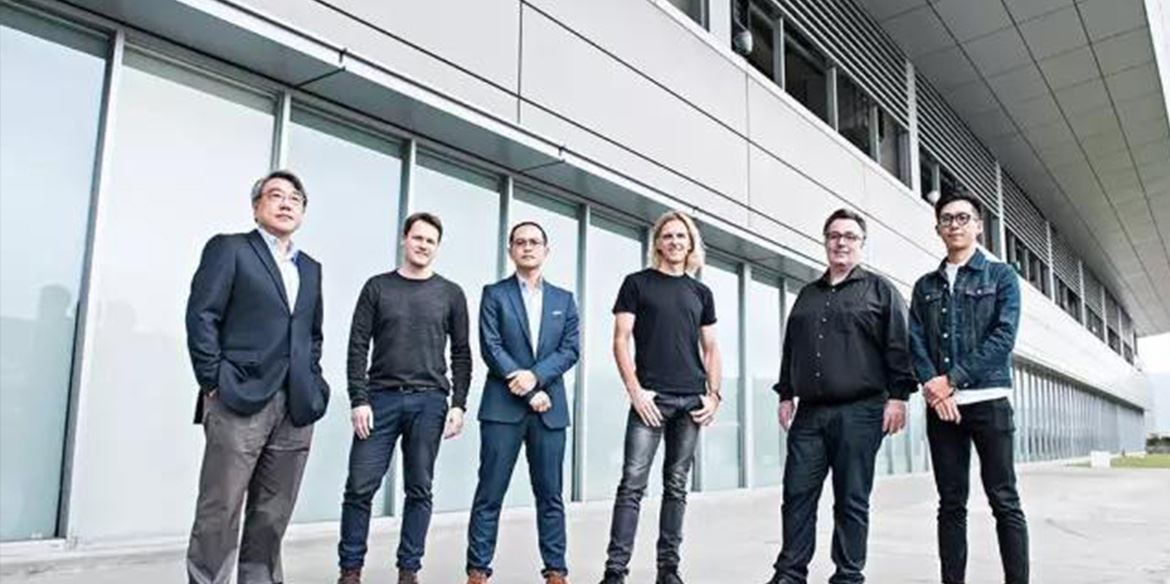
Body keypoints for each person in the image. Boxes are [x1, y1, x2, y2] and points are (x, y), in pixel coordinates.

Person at [185, 169, 329, 584]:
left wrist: (313, 382)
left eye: (295, 199)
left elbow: (312, 334)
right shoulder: (230, 249)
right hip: (239, 397)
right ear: (256, 207)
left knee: (272, 512)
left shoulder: (310, 268)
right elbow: (202, 316)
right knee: (221, 507)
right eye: (276, 195)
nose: (286, 203)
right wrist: (213, 380)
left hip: (296, 403)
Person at [765, 208, 916, 584]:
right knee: (796, 495)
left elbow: (899, 345)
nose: (841, 242)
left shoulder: (880, 290)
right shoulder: (808, 294)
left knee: (851, 498)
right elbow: (792, 347)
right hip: (809, 414)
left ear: (862, 244)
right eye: (834, 235)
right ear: (825, 241)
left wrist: (898, 396)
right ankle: (790, 574)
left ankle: (848, 575)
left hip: (861, 411)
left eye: (849, 236)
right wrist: (785, 393)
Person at [337, 212, 471, 584]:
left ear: (437, 247)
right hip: (379, 400)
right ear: (404, 239)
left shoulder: (451, 293)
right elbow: (357, 346)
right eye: (418, 238)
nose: (423, 245)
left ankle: (408, 571)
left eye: (430, 241)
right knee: (360, 487)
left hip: (429, 403)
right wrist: (358, 399)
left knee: (419, 489)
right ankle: (350, 571)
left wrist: (459, 404)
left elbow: (461, 353)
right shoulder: (377, 287)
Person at [909, 192, 1029, 584]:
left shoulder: (1001, 276)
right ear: (938, 229)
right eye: (947, 218)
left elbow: (1003, 338)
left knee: (1004, 500)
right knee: (951, 504)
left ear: (978, 226)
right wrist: (934, 389)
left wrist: (950, 381)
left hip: (989, 401)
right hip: (942, 409)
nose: (955, 224)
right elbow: (915, 342)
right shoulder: (925, 286)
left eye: (963, 217)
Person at [598, 210, 722, 584]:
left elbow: (711, 347)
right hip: (650, 400)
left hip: (691, 402)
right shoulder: (637, 284)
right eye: (668, 236)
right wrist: (635, 392)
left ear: (691, 243)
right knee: (632, 485)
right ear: (658, 243)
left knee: (676, 486)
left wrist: (714, 396)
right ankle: (615, 572)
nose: (675, 242)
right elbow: (620, 340)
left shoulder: (701, 292)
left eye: (681, 236)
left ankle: (668, 570)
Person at [464, 221, 581, 584]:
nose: (527, 247)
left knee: (551, 496)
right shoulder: (494, 294)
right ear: (511, 250)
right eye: (520, 242)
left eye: (534, 242)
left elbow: (570, 349)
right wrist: (529, 389)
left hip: (550, 412)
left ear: (546, 250)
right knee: (489, 493)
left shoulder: (564, 300)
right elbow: (491, 346)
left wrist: (536, 377)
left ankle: (556, 571)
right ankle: (478, 571)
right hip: (503, 409)